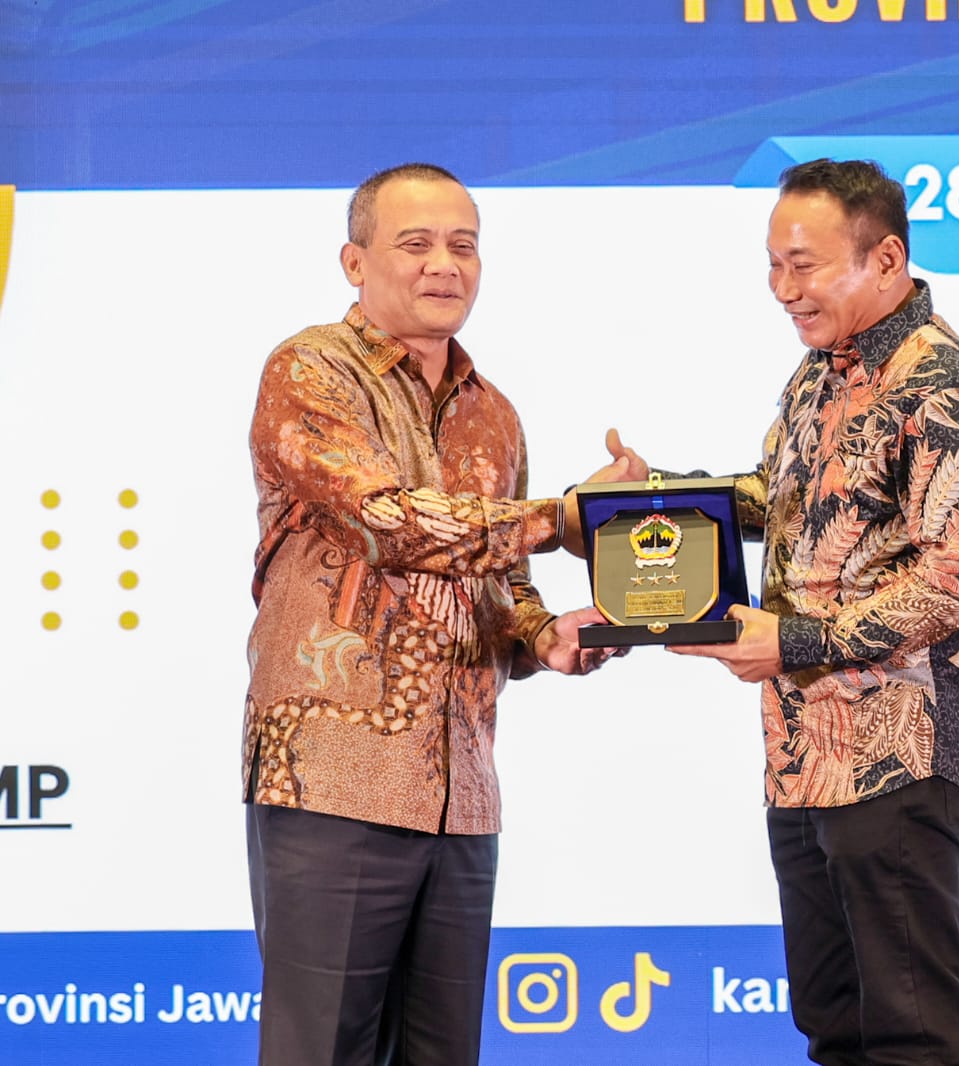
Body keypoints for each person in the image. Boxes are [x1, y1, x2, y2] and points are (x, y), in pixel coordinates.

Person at [242, 162, 642, 1066]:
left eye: (463, 245)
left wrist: (546, 636)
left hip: (462, 794)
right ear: (354, 261)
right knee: (321, 1051)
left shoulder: (493, 414)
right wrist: (562, 518)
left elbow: (499, 582)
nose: (444, 265)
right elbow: (389, 523)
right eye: (415, 243)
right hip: (333, 778)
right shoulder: (310, 370)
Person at [668, 158, 959, 1066]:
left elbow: (956, 583)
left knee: (914, 1037)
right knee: (834, 1025)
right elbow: (777, 497)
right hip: (800, 754)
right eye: (773, 265)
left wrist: (794, 640)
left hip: (900, 751)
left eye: (804, 265)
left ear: (885, 258)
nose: (783, 289)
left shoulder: (944, 382)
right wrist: (647, 504)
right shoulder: (817, 372)